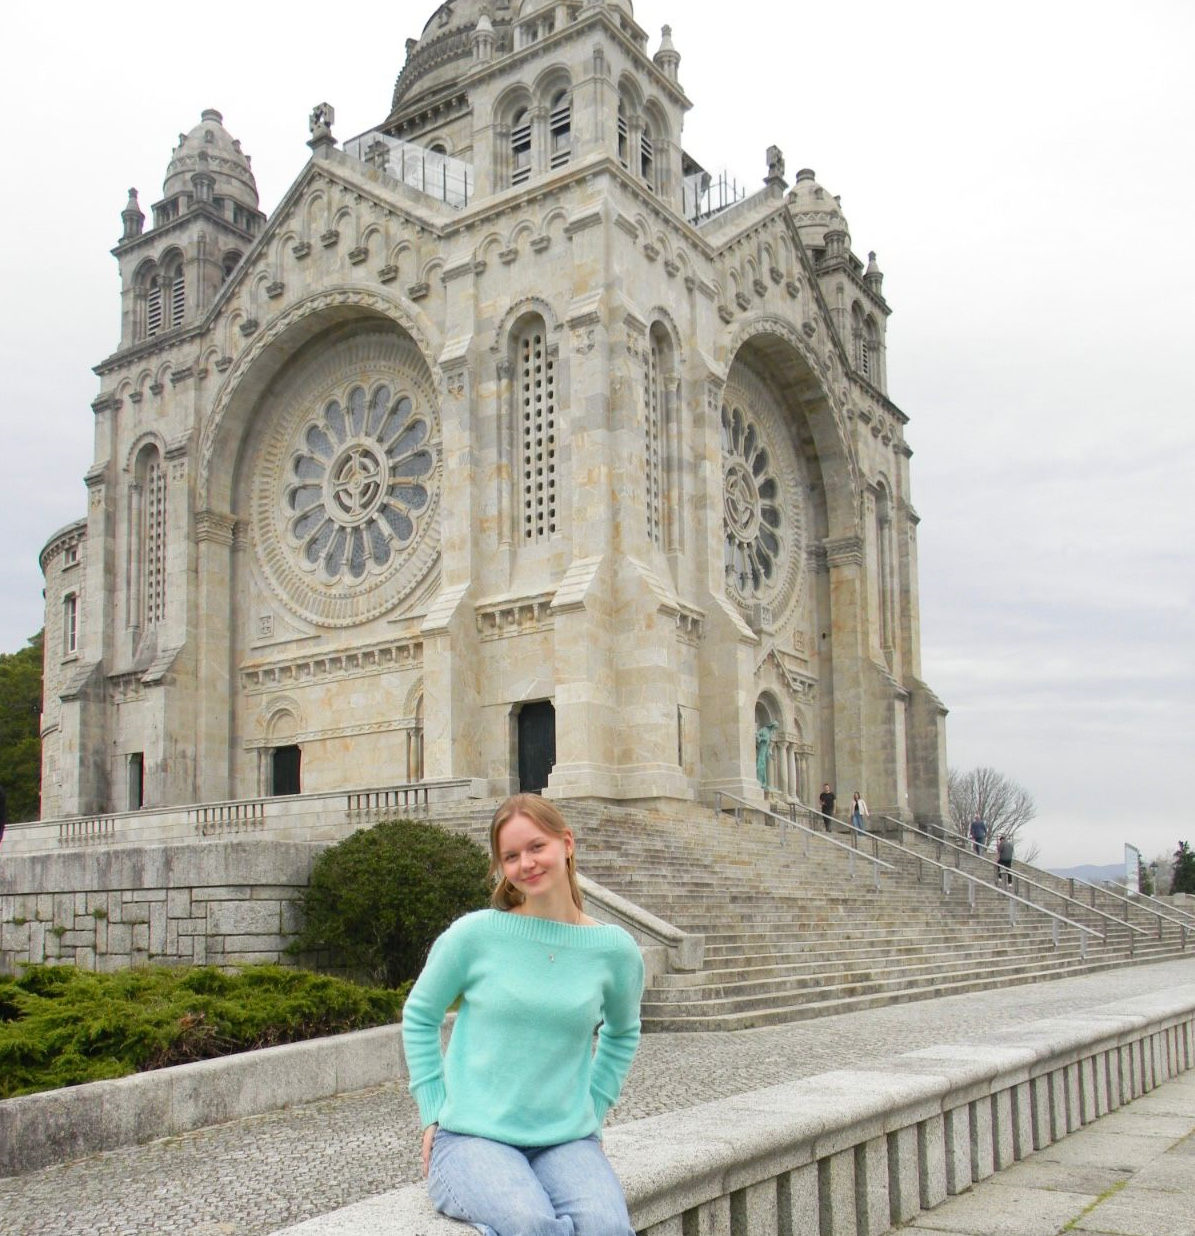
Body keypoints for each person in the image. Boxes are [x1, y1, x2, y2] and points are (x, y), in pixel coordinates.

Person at [402, 794, 644, 1236]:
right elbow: (420, 1014)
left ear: (566, 843)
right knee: (532, 1225)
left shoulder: (614, 950)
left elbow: (624, 1032)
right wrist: (432, 1109)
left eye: (536, 847)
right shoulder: (475, 935)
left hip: (566, 1139)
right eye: (510, 856)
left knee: (607, 1228)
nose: (526, 863)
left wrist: (593, 1105)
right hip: (473, 1138)